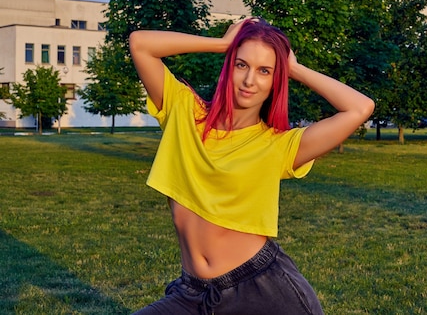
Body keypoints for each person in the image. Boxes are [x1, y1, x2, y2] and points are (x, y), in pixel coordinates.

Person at [129, 18, 374, 314]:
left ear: (275, 81)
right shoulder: (183, 110)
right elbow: (141, 44)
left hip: (264, 292)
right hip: (193, 293)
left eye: (265, 71)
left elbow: (360, 108)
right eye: (241, 65)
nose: (249, 81)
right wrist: (221, 44)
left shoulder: (278, 145)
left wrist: (293, 68)